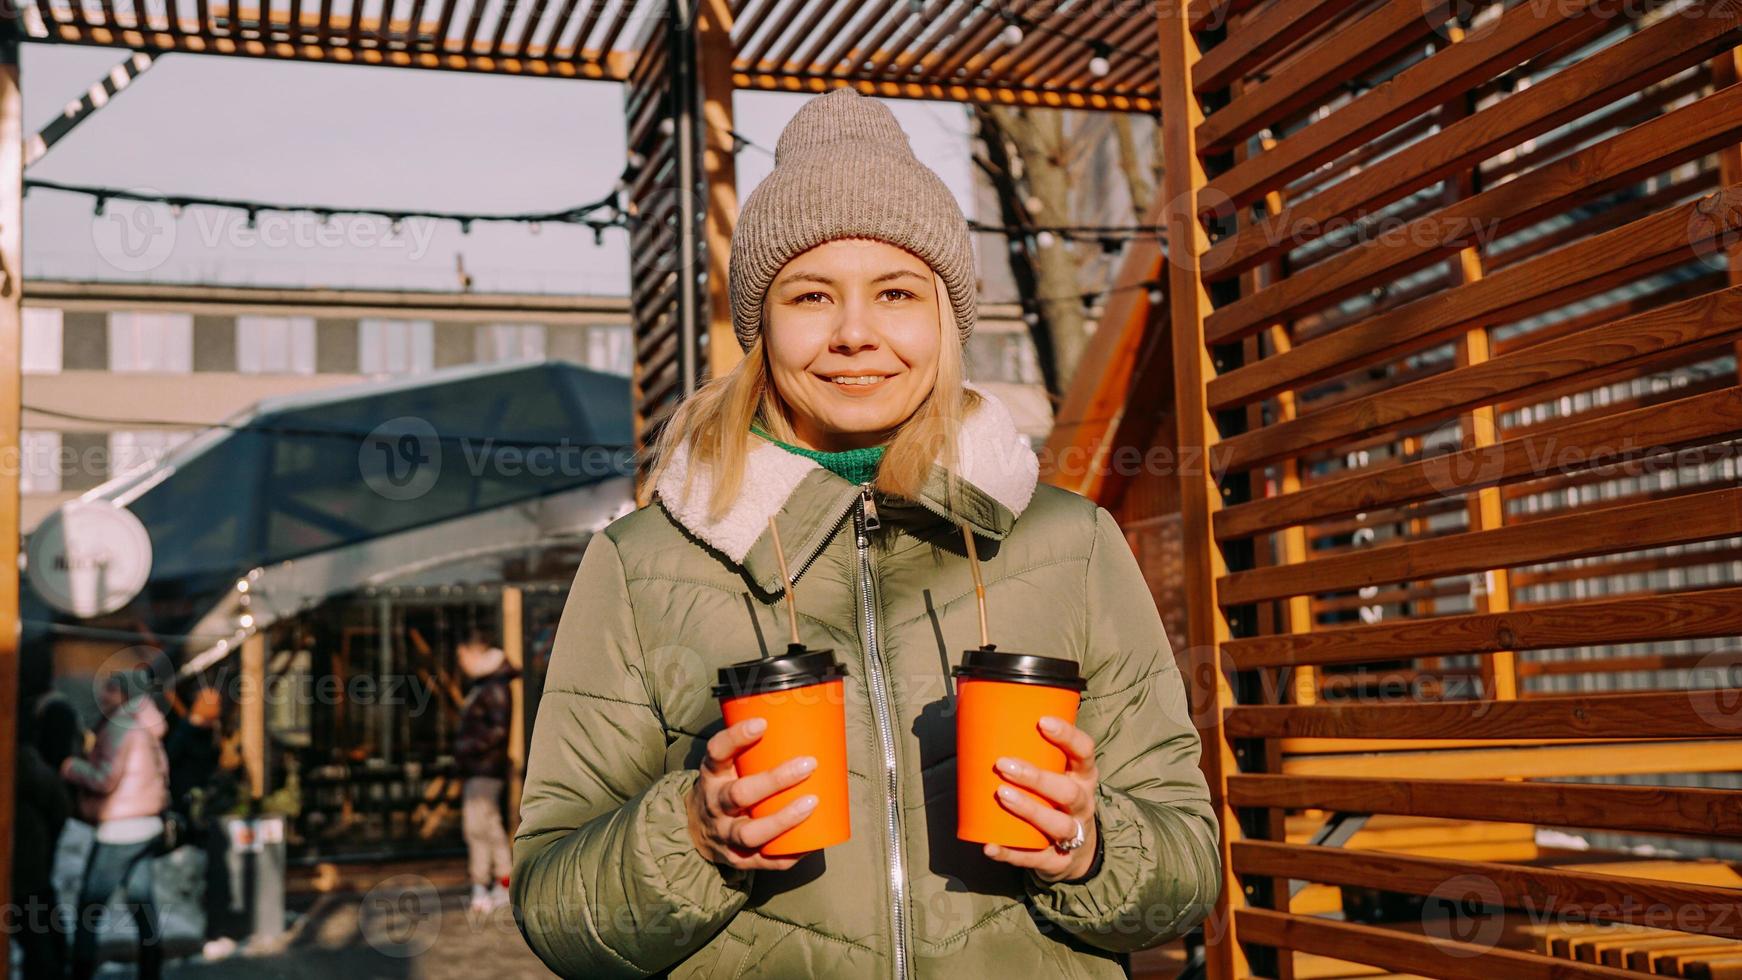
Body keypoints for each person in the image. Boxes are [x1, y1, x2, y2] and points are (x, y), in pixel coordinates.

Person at [512, 88, 1220, 979]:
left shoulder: (1066, 543)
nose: (856, 334)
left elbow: (1188, 871)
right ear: (761, 326)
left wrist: (1087, 844)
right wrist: (692, 831)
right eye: (812, 295)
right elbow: (555, 912)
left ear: (945, 320)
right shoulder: (644, 563)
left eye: (895, 292)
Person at [62, 669, 170, 980]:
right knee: (142, 904)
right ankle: (152, 969)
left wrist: (69, 766)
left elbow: (104, 777)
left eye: (109, 689)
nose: (103, 696)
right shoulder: (146, 724)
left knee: (89, 907)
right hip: (147, 825)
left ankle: (80, 971)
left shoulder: (120, 724)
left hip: (119, 830)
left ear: (124, 694)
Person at [454, 630, 517, 913]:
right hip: (481, 768)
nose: (461, 663)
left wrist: (467, 746)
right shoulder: (488, 685)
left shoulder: (493, 687)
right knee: (484, 826)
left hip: (485, 768)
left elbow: (498, 730)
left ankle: (495, 883)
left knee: (480, 827)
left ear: (474, 652)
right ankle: (494, 883)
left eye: (462, 656)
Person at [15, 693, 75, 980]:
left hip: (28, 869)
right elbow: (57, 804)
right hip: (27, 871)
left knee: (43, 941)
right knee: (44, 947)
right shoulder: (25, 760)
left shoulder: (25, 759)